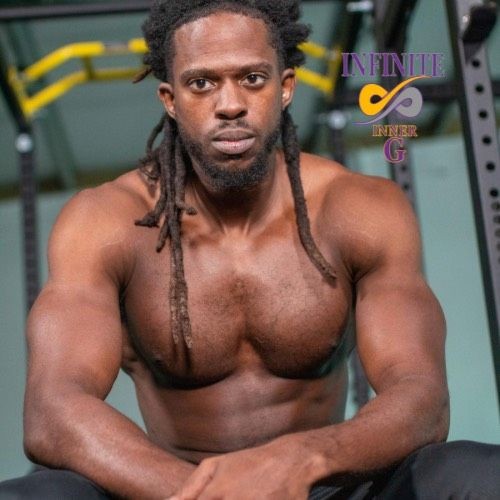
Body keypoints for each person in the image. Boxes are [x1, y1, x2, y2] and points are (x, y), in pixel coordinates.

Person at [1, 1, 499, 499]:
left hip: (323, 484)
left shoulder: (358, 209)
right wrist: (212, 494)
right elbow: (53, 409)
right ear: (170, 100)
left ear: (285, 88)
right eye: (202, 83)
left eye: (253, 79)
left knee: (474, 473)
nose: (231, 104)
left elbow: (422, 397)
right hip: (173, 490)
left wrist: (301, 461)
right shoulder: (105, 222)